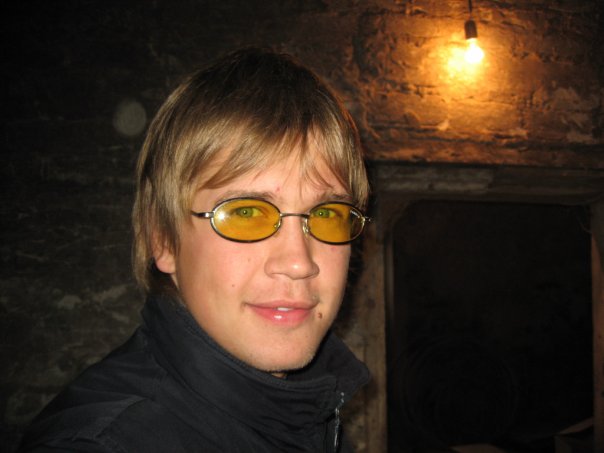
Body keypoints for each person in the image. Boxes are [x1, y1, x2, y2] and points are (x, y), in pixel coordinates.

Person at [20, 48, 371, 453]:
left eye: (327, 213)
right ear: (163, 238)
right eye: (245, 212)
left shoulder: (309, 413)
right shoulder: (101, 444)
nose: (298, 263)